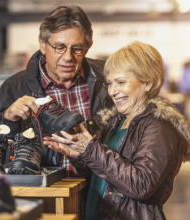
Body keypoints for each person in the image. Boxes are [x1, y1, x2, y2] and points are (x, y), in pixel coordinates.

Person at [43, 41, 190, 219]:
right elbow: (107, 178)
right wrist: (80, 155)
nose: (112, 91)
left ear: (148, 83)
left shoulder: (160, 126)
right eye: (109, 83)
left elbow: (141, 186)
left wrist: (90, 148)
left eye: (121, 82)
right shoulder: (115, 122)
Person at [0, 5, 113, 176]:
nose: (68, 57)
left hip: (98, 192)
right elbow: (2, 157)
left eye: (77, 48)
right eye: (59, 47)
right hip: (47, 193)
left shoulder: (107, 78)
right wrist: (9, 121)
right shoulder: (14, 87)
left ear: (88, 47)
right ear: (43, 45)